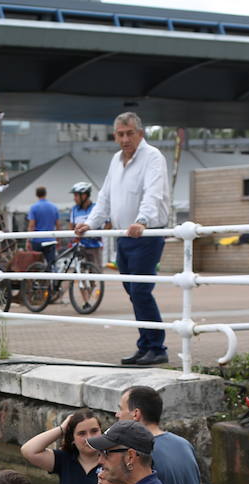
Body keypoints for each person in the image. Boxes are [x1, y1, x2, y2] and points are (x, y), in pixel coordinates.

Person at [74, 113, 170, 366]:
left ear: (141, 134)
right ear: (115, 136)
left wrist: (142, 220)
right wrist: (90, 223)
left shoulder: (153, 157)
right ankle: (146, 345)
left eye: (130, 133)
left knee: (140, 290)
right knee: (133, 291)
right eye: (120, 134)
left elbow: (153, 193)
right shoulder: (116, 160)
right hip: (123, 236)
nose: (125, 139)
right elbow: (105, 197)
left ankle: (157, 347)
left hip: (147, 234)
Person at [65, 181, 104, 271]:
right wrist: (72, 238)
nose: (74, 199)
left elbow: (108, 224)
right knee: (80, 271)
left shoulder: (96, 208)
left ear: (84, 195)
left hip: (94, 246)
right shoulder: (74, 209)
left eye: (76, 195)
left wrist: (99, 235)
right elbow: (71, 226)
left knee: (95, 271)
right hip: (79, 246)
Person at [26, 186, 60, 268]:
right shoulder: (54, 207)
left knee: (37, 265)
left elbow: (31, 225)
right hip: (50, 240)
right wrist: (58, 239)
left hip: (37, 240)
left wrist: (28, 240)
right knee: (51, 265)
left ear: (36, 194)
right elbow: (58, 225)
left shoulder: (34, 208)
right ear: (45, 193)